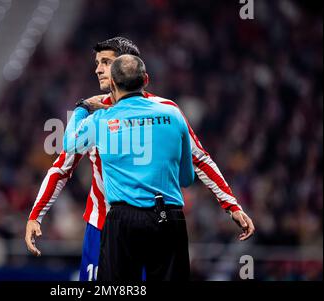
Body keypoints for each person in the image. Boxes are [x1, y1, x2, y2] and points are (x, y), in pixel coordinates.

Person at [25, 37, 255, 281]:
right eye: (97, 63)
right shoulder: (162, 112)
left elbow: (201, 159)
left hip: (129, 223)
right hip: (105, 226)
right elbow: (62, 167)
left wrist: (231, 205)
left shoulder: (101, 117)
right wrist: (36, 215)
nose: (99, 69)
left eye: (106, 62)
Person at [64, 54, 196, 280]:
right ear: (145, 79)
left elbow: (69, 144)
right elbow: (186, 178)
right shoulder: (174, 114)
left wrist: (83, 108)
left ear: (112, 84)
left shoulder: (102, 120)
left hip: (123, 220)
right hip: (169, 218)